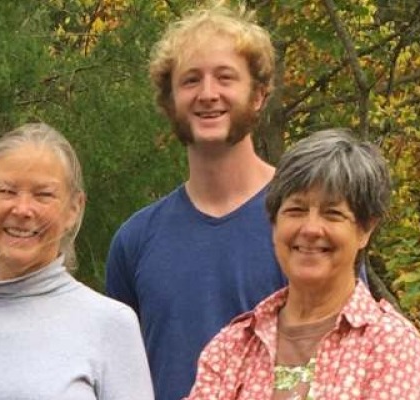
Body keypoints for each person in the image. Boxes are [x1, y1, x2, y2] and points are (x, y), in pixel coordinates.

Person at [104, 4, 287, 398]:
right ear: (170, 102)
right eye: (190, 81)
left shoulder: (304, 224)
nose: (207, 94)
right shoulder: (135, 241)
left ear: (258, 96)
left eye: (225, 78)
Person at [0, 123, 153, 399]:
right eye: (6, 191)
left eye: (43, 195)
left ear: (74, 209)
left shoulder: (112, 324)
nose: (22, 209)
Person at [187, 129, 420, 399]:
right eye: (296, 210)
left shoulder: (390, 344)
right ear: (274, 222)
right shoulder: (231, 347)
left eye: (332, 213)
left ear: (364, 230)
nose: (311, 228)